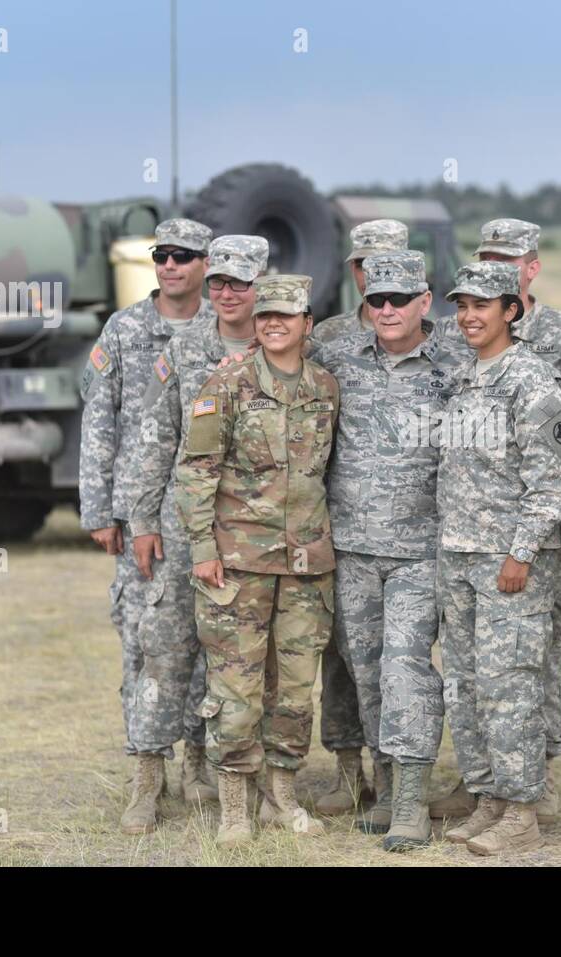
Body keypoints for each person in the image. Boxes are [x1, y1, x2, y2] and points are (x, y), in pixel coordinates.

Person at [426, 219, 561, 825]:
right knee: (466, 684)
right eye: (462, 306)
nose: (469, 317)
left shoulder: (532, 381)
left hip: (509, 561)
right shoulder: (465, 378)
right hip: (460, 554)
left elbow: (554, 481)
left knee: (511, 686)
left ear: (510, 310)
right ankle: (488, 797)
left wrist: (521, 552)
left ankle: (523, 811)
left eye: (482, 306)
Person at [174, 274, 340, 847]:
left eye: (285, 316)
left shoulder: (325, 387)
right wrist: (202, 548)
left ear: (306, 324)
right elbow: (196, 471)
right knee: (236, 691)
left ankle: (281, 797)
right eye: (265, 315)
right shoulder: (227, 384)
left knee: (294, 689)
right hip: (238, 563)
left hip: (306, 565)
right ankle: (234, 808)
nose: (273, 324)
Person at [309, 250, 463, 850]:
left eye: (401, 299)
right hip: (352, 547)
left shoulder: (457, 361)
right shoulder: (338, 357)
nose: (389, 309)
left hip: (422, 550)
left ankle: (413, 802)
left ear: (426, 301)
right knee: (367, 672)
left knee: (405, 667)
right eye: (377, 299)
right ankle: (386, 783)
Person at [78, 217, 214, 834]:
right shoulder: (125, 329)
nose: (170, 266)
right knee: (143, 647)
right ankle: (146, 776)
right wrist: (100, 511)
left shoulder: (221, 331)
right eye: (162, 255)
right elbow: (99, 421)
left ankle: (200, 766)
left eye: (184, 256)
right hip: (140, 518)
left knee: (209, 648)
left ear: (206, 264)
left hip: (206, 519)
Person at [127, 235, 270, 811]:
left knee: (236, 658)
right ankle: (147, 776)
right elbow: (154, 437)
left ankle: (207, 766)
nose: (227, 294)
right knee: (165, 648)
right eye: (219, 283)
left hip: (254, 528)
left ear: (261, 283)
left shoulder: (283, 345)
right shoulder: (185, 348)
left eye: (240, 283)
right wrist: (142, 519)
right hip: (185, 523)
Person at [308, 219, 408, 811]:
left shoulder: (440, 342)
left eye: (394, 264)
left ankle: (399, 776)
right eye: (371, 265)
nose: (382, 278)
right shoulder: (328, 339)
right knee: (343, 658)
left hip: (411, 536)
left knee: (399, 663)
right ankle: (349, 771)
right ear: (355, 271)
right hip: (340, 526)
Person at [311, 219, 409, 347]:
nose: (370, 275)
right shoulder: (326, 334)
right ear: (352, 268)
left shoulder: (425, 336)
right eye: (361, 265)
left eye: (381, 264)